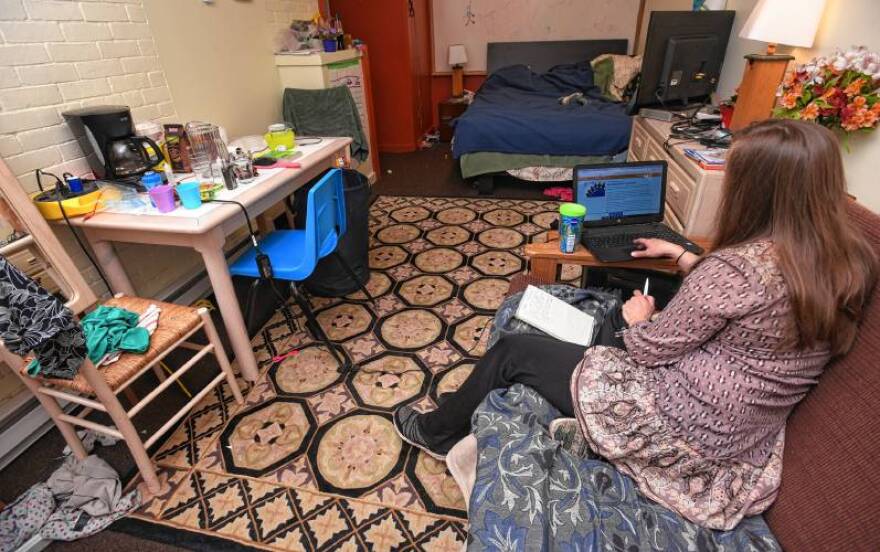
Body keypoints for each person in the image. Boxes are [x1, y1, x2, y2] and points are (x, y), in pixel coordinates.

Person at [393, 119, 878, 529]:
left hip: (679, 427)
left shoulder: (737, 270)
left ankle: (436, 433)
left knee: (520, 350)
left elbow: (649, 349)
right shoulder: (850, 260)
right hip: (742, 439)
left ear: (758, 191)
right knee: (595, 332)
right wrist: (687, 257)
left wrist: (639, 318)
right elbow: (756, 300)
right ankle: (570, 406)